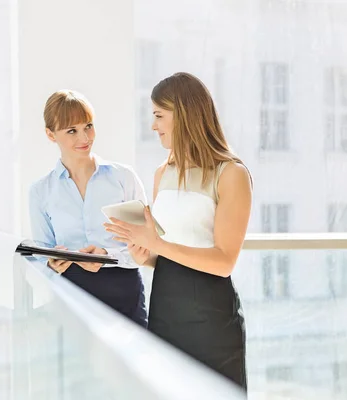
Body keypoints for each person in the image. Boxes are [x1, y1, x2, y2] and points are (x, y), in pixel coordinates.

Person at [104, 72, 252, 390]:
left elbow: (224, 261)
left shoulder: (231, 174)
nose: (153, 125)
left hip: (210, 321)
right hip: (165, 311)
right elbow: (170, 251)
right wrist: (144, 252)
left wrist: (156, 242)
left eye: (159, 115)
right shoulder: (162, 173)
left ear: (183, 114)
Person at [29, 89, 148, 327]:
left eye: (88, 126)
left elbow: (146, 248)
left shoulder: (123, 177)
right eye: (72, 130)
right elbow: (41, 255)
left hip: (124, 295)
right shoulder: (41, 191)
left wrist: (108, 256)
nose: (84, 138)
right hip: (71, 298)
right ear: (50, 135)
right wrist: (50, 264)